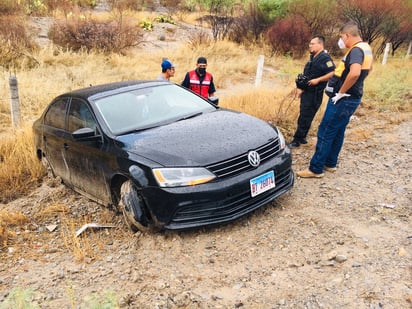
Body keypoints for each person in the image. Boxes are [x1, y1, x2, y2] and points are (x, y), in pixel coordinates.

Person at [297, 21, 373, 178]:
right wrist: (355, 86)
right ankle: (330, 163)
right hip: (353, 97)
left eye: (341, 37)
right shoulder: (366, 48)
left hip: (344, 99)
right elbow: (369, 69)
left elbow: (355, 73)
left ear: (347, 35)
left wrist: (342, 92)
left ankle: (315, 169)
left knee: (325, 130)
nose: (341, 41)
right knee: (338, 130)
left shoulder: (357, 50)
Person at [289, 35, 336, 148]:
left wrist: (318, 80)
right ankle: (303, 137)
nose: (310, 45)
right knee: (306, 115)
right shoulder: (314, 57)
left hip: (314, 93)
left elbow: (332, 73)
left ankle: (297, 140)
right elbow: (308, 74)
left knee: (305, 116)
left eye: (312, 43)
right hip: (307, 91)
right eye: (309, 43)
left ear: (320, 44)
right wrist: (301, 88)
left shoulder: (325, 58)